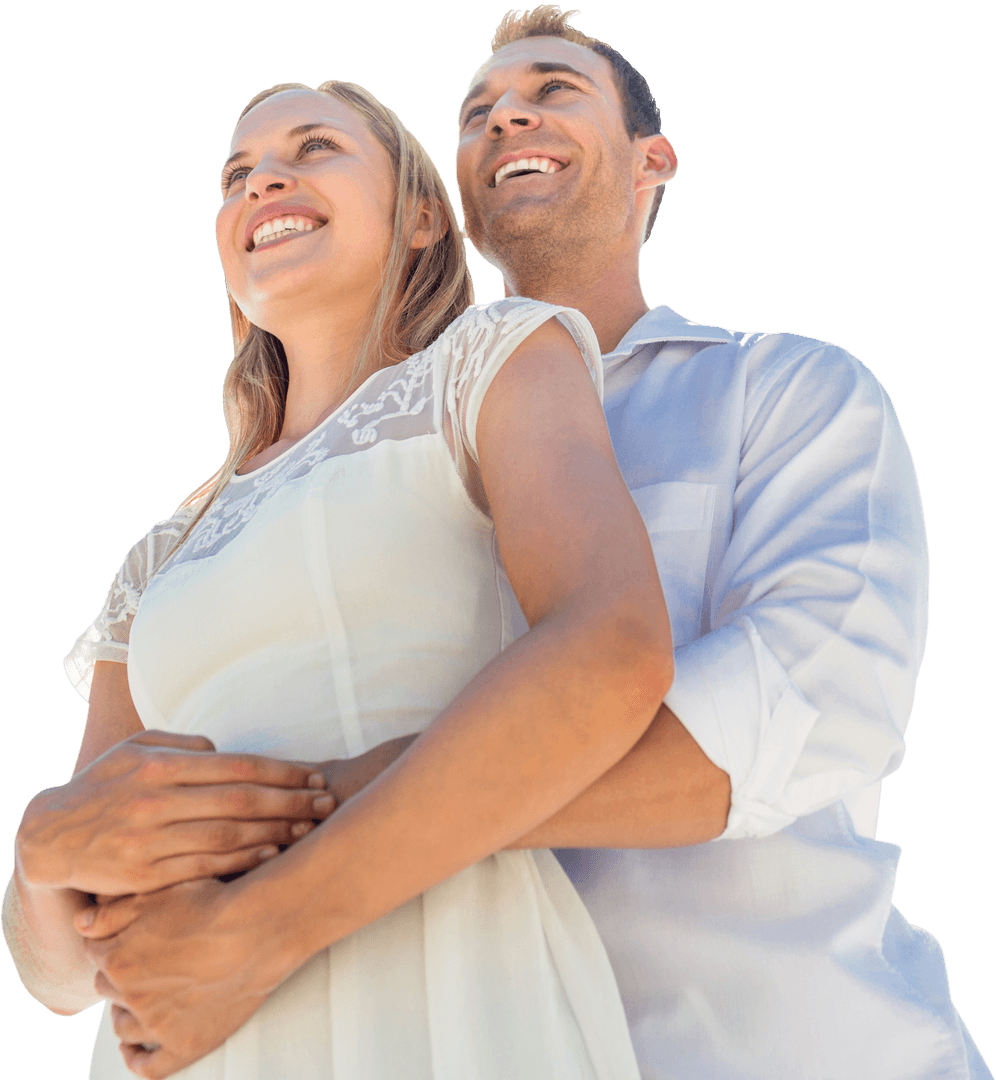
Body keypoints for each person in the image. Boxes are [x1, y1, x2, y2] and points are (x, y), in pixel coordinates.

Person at [55, 5, 985, 1078]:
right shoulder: (364, 473)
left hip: (779, 1047)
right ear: (447, 209)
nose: (509, 118)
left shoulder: (784, 392)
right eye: (478, 113)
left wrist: (325, 820)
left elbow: (803, 704)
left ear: (653, 160)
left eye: (552, 90)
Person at [3, 77, 674, 1078]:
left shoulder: (485, 364)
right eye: (235, 175)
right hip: (191, 1035)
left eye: (314, 148)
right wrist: (40, 860)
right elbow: (60, 972)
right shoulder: (163, 552)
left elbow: (611, 645)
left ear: (419, 216)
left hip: (449, 989)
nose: (263, 178)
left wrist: (261, 923)